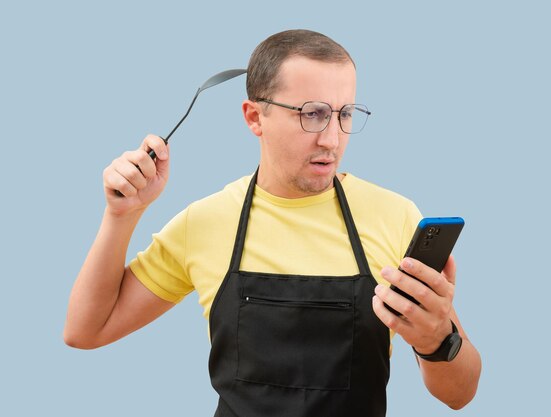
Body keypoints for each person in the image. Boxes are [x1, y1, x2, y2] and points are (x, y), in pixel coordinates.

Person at [64, 29, 481, 415]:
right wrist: (122, 215)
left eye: (345, 114)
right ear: (254, 117)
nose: (332, 139)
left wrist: (435, 341)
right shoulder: (205, 222)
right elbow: (86, 330)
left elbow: (459, 394)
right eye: (313, 114)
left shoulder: (395, 217)